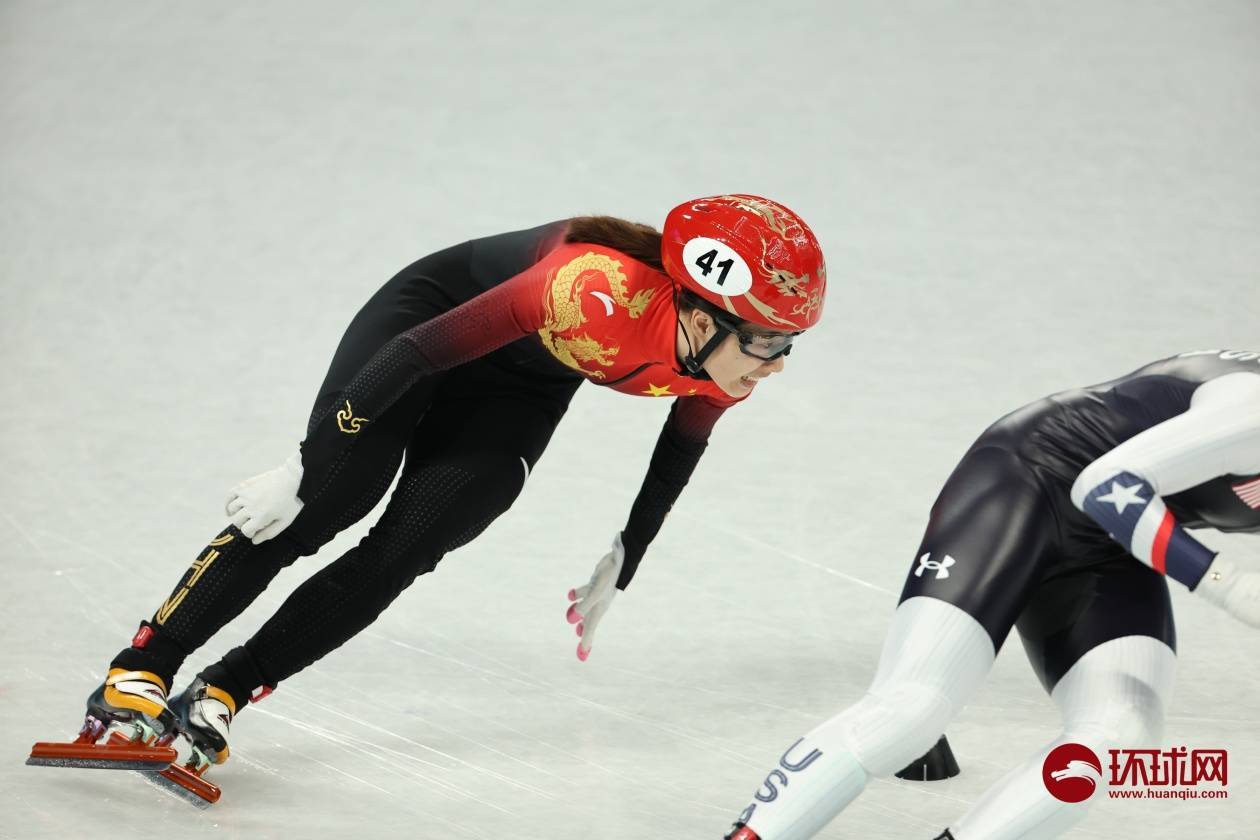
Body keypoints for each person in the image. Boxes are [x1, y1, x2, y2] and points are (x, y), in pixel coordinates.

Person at [51, 195, 828, 783]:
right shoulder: (586, 290)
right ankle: (142, 667)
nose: (777, 363)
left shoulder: (726, 364)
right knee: (322, 503)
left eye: (788, 343)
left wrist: (629, 552)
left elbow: (677, 453)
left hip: (518, 389)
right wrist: (306, 462)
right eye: (768, 341)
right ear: (699, 314)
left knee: (417, 539)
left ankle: (225, 688)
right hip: (429, 331)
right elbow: (423, 351)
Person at [725, 349, 1260, 840]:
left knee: (1122, 734)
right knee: (910, 711)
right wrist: (1230, 587)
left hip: (1112, 539)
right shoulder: (1250, 411)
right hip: (1027, 480)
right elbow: (1107, 487)